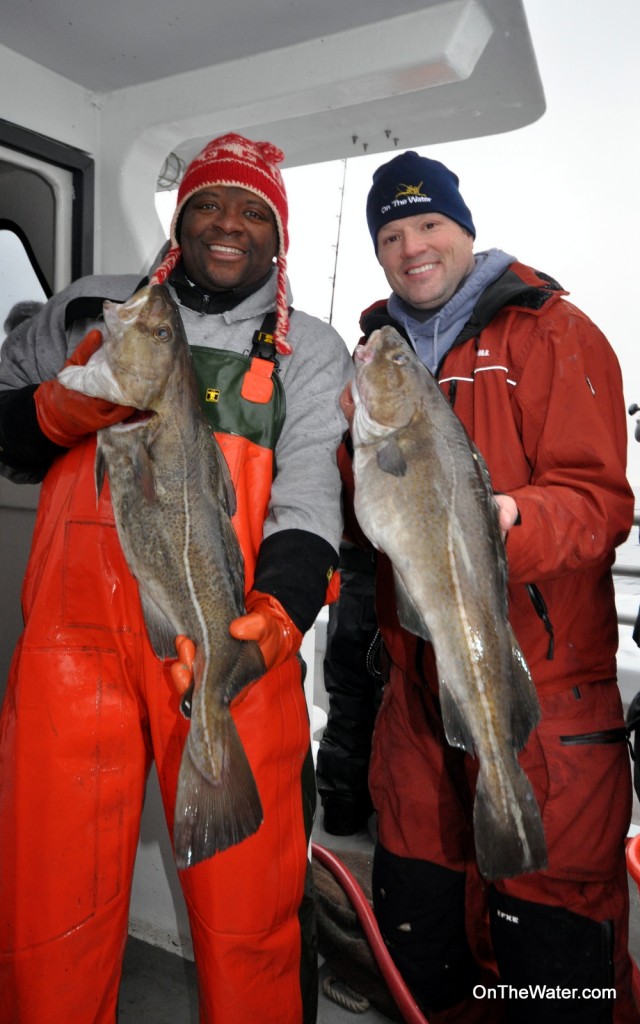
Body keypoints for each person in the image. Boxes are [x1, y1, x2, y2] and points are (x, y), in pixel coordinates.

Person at [0, 133, 352, 1024]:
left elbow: (310, 500)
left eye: (253, 212)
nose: (227, 225)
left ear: (279, 236)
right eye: (208, 203)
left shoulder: (310, 349)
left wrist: (276, 617)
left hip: (226, 642)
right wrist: (53, 409)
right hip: (69, 654)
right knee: (46, 911)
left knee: (251, 924)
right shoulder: (95, 304)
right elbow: (3, 424)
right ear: (180, 215)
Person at [340, 150, 639, 1023]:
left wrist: (511, 519)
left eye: (429, 224)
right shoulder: (378, 353)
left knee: (555, 961)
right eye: (391, 235)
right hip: (415, 701)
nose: (412, 247)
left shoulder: (553, 332)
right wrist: (350, 441)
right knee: (423, 943)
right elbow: (375, 520)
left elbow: (598, 502)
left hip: (546, 699)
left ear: (463, 230)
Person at [315, 538, 382, 835]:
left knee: (345, 698)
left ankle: (341, 811)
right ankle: (374, 815)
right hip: (395, 578)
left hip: (351, 577)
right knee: (391, 702)